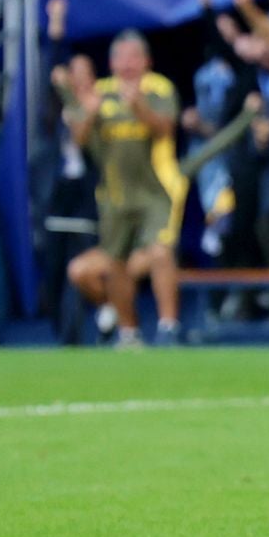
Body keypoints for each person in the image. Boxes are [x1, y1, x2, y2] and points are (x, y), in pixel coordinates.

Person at [60, 31, 185, 350]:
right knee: (115, 263)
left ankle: (169, 326)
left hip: (155, 189)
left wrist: (139, 107)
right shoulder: (100, 93)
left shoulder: (158, 88)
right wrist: (89, 112)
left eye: (134, 57)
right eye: (121, 57)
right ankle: (128, 332)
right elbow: (79, 141)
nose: (127, 64)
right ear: (112, 62)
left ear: (146, 60)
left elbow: (166, 130)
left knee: (160, 251)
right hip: (115, 194)